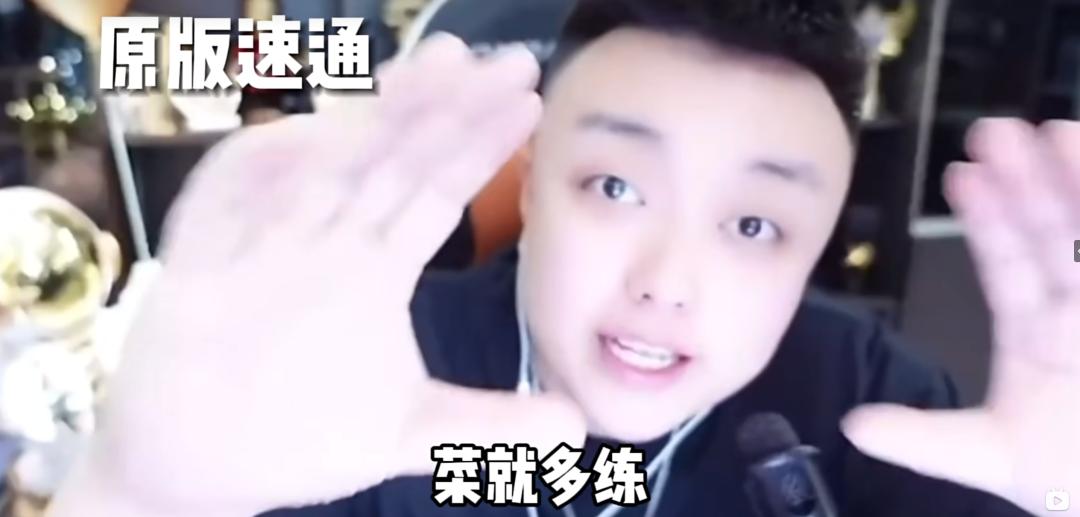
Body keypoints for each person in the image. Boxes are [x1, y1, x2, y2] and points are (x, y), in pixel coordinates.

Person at [49, 0, 1080, 516]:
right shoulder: (352, 371)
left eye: (754, 226)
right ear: (532, 180)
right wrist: (130, 495)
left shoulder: (871, 400)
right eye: (617, 187)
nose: (666, 282)